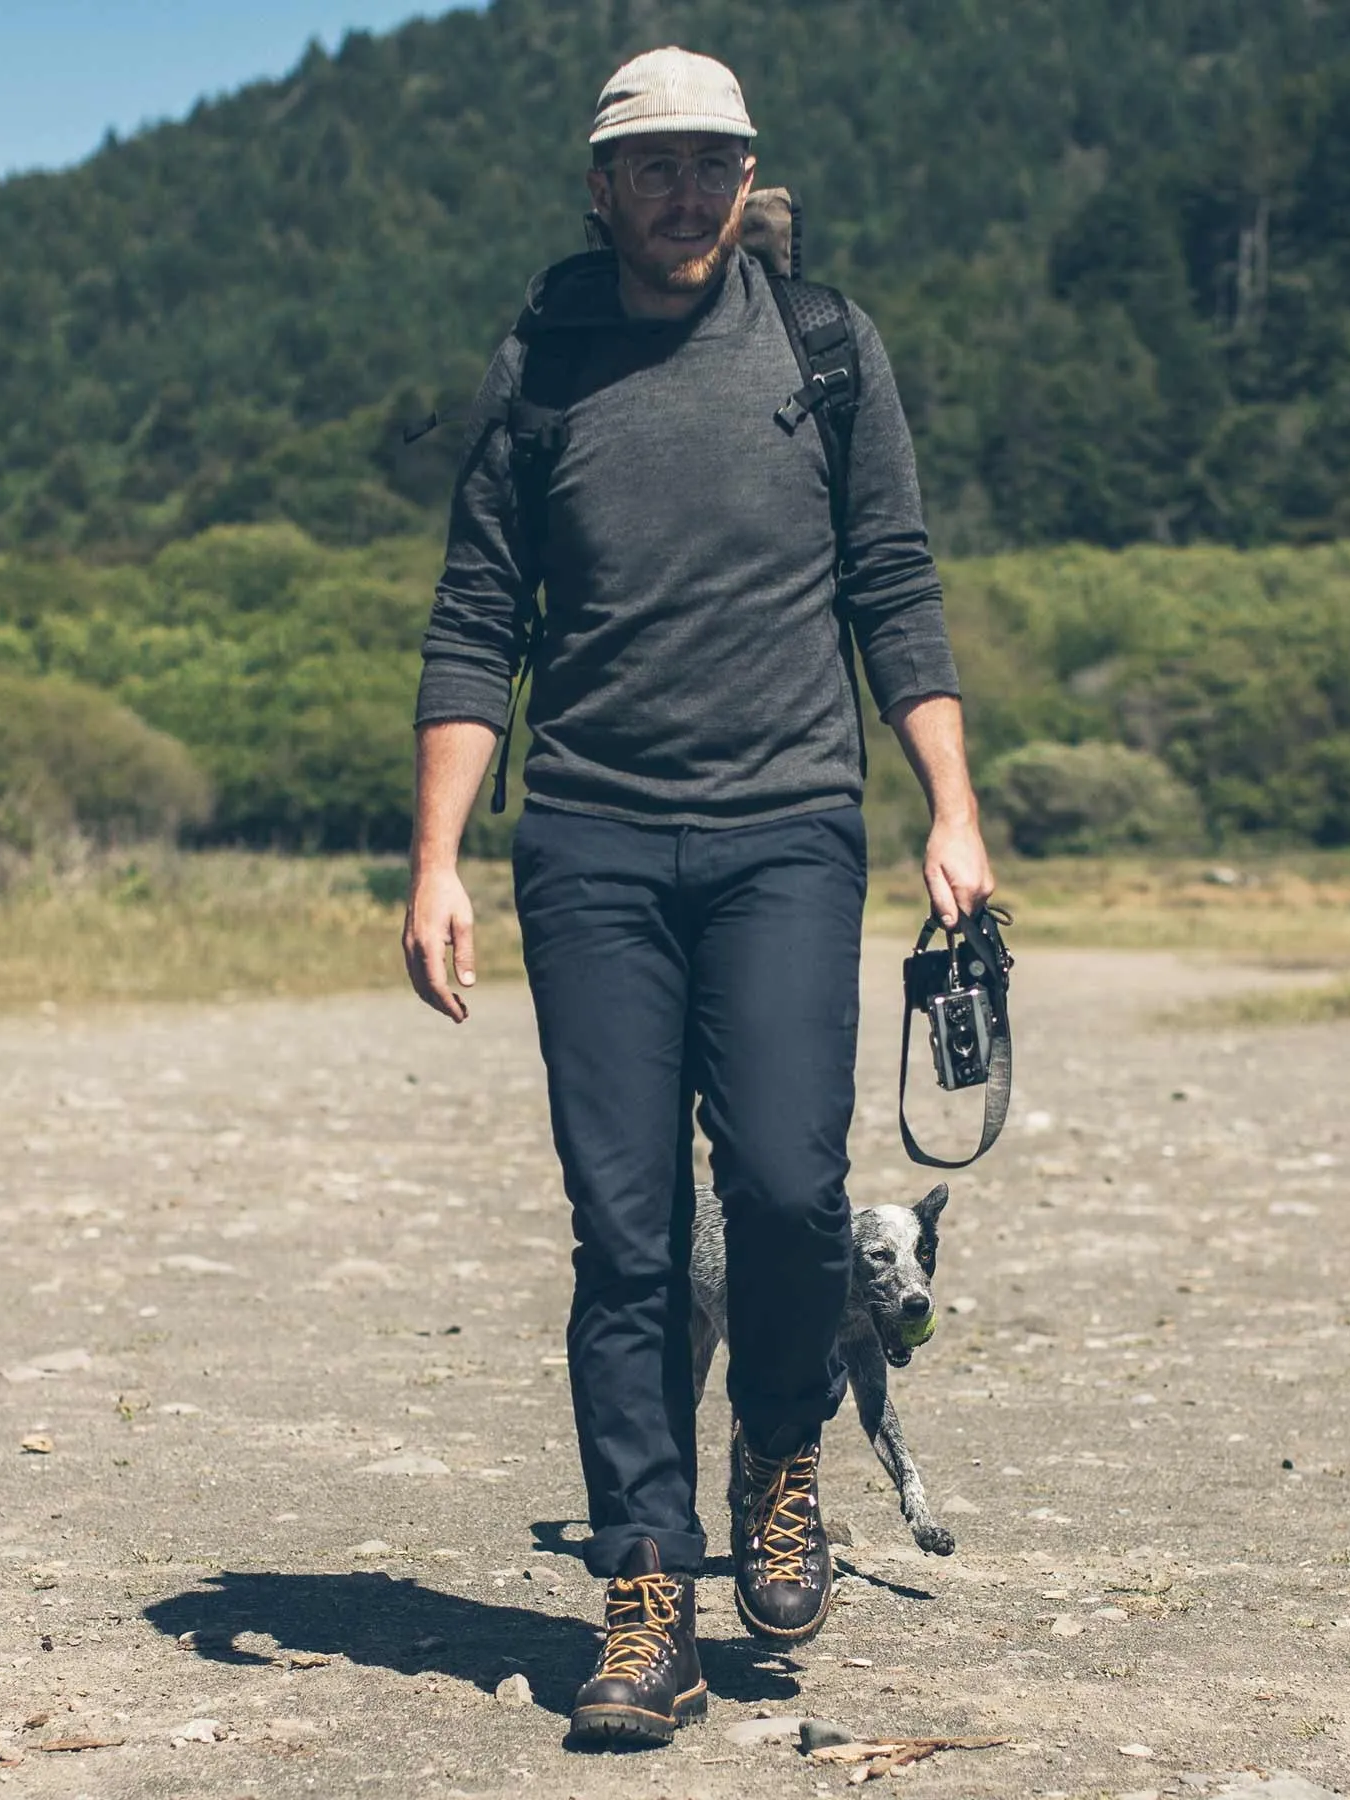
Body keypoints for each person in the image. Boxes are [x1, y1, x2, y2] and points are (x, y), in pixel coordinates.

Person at [403, 45, 993, 1748]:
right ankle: (647, 1587)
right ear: (601, 187)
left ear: (749, 180)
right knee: (631, 1233)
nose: (683, 189)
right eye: (650, 164)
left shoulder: (823, 348)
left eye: (711, 162)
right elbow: (472, 623)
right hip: (589, 846)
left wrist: (952, 805)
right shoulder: (540, 367)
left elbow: (894, 579)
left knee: (800, 1198)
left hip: (791, 831)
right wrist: (439, 859)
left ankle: (782, 1450)